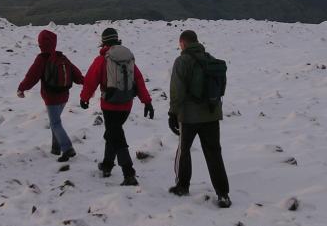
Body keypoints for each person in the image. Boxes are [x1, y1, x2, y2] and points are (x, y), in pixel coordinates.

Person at [80, 27, 153, 186]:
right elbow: (139, 80)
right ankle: (107, 165)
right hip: (126, 105)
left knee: (116, 136)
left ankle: (129, 173)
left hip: (110, 105)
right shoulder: (128, 58)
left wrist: (84, 98)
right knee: (113, 133)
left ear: (103, 42)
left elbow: (90, 81)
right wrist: (147, 102)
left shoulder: (102, 60)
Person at [168, 30, 231, 208]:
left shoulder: (182, 61)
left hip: (189, 116)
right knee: (214, 153)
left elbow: (177, 90)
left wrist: (173, 113)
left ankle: (182, 186)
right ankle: (223, 194)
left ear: (183, 43)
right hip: (212, 113)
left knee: (184, 150)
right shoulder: (210, 58)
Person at [17, 30, 84, 162]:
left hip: (51, 97)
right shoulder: (62, 57)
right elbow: (76, 74)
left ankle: (67, 148)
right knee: (56, 121)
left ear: (40, 44)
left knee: (55, 124)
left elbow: (32, 77)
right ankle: (55, 148)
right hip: (64, 96)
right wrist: (87, 83)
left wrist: (21, 88)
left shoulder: (42, 59)